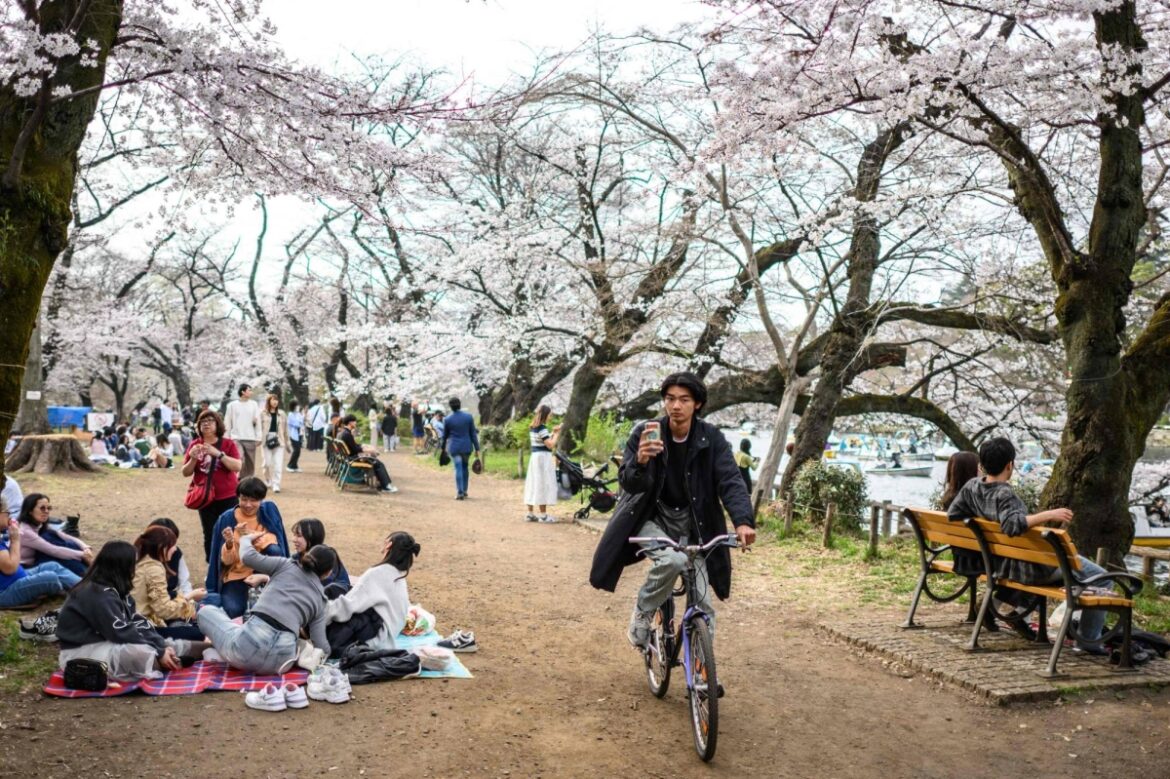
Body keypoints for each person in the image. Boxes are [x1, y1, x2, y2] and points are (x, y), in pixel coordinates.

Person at [589, 372, 756, 649]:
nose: (676, 406)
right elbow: (629, 483)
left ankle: (703, 676)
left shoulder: (712, 438)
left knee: (703, 602)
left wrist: (742, 521)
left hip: (695, 524)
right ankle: (643, 611)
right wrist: (640, 461)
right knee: (673, 561)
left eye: (684, 399)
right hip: (650, 517)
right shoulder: (645, 432)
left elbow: (731, 481)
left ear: (698, 404)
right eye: (670, 399)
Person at [946, 437, 1110, 655]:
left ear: (982, 464)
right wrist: (1048, 514)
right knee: (1103, 577)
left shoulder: (971, 487)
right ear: (1009, 465)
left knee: (1081, 573)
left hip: (1004, 562)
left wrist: (982, 525)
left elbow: (953, 515)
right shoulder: (1004, 494)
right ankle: (1089, 642)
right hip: (1031, 568)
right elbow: (1012, 525)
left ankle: (1024, 615)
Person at [56, 541, 204, 681]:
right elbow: (121, 632)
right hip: (81, 652)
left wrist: (161, 646)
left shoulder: (116, 590)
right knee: (140, 653)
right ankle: (172, 661)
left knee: (164, 644)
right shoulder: (97, 593)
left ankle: (210, 648)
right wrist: (159, 651)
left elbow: (138, 622)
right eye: (133, 565)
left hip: (108, 643)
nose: (135, 569)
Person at [197, 540, 335, 674]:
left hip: (245, 648)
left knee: (206, 612)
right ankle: (225, 654)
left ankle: (223, 654)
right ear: (328, 573)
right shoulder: (321, 601)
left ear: (307, 556)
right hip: (281, 663)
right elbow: (321, 647)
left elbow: (247, 557)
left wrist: (246, 539)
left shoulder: (286, 565)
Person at [205, 477, 289, 618]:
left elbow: (276, 546)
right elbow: (225, 562)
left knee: (272, 613)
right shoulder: (227, 519)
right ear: (237, 498)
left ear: (261, 500)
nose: (248, 504)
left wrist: (248, 537)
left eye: (253, 500)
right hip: (237, 574)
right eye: (244, 499)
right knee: (232, 609)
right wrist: (230, 544)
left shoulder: (268, 512)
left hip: (263, 572)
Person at [326, 531, 419, 651]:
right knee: (338, 590)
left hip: (375, 639)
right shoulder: (399, 576)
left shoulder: (377, 573)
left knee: (334, 597)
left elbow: (349, 605)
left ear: (389, 545)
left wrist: (321, 615)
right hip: (387, 635)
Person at [182, 409, 242, 562]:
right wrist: (193, 459)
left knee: (229, 531)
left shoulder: (228, 444)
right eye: (202, 421)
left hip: (228, 496)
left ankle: (230, 562)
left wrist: (219, 454)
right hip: (205, 497)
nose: (206, 424)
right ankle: (212, 565)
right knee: (209, 533)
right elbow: (186, 472)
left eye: (210, 420)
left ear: (218, 424)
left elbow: (237, 466)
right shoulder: (194, 445)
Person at [130, 526, 206, 641]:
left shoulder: (143, 561)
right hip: (142, 628)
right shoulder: (153, 569)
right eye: (172, 545)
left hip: (138, 622)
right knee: (198, 633)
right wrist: (189, 599)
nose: (175, 549)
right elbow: (163, 610)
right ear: (162, 547)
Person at [0, 513, 80, 609]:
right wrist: (15, 540)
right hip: (5, 591)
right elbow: (10, 568)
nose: (9, 516)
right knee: (50, 578)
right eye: (6, 513)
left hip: (16, 578)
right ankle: (83, 592)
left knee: (52, 566)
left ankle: (87, 587)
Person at [17, 494, 93, 577]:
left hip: (38, 559)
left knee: (64, 542)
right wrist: (82, 554)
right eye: (42, 508)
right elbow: (53, 550)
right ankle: (86, 576)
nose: (46, 511)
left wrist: (85, 547)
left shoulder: (39, 525)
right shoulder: (25, 531)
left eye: (48, 508)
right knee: (59, 551)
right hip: (26, 568)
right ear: (30, 511)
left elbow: (65, 536)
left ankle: (87, 574)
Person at [337, 415, 398, 493]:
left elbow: (354, 446)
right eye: (355, 421)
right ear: (350, 423)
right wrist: (369, 450)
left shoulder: (344, 433)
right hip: (353, 458)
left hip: (348, 457)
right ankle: (386, 487)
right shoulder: (347, 434)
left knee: (375, 461)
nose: (356, 423)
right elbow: (355, 449)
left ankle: (383, 484)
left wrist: (364, 446)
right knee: (378, 463)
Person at [523, 405, 560, 522]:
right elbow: (550, 444)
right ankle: (543, 515)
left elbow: (543, 440)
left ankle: (530, 513)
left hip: (535, 457)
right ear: (545, 415)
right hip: (543, 459)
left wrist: (553, 432)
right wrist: (557, 435)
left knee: (533, 483)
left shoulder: (533, 427)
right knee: (542, 483)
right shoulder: (542, 428)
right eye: (549, 414)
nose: (551, 416)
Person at [441, 398, 479, 501]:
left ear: (450, 406)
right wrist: (477, 448)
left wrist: (443, 448)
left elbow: (444, 436)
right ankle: (465, 491)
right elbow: (473, 434)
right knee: (465, 467)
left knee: (458, 467)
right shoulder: (468, 417)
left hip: (454, 447)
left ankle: (460, 492)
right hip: (466, 447)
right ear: (460, 405)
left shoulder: (448, 419)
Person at [147, 518, 193, 597]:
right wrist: (188, 598)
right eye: (171, 543)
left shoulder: (176, 553)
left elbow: (184, 583)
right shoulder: (144, 563)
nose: (175, 548)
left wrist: (190, 600)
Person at [224, 383, 261, 479]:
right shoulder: (232, 405)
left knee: (250, 463)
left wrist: (258, 437)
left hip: (250, 437)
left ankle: (247, 481)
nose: (251, 392)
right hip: (236, 437)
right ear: (243, 392)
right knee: (240, 458)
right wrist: (226, 438)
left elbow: (258, 422)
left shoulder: (254, 404)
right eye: (249, 390)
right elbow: (227, 422)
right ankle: (237, 478)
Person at [259, 393, 290, 493]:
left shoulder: (282, 414)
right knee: (266, 463)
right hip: (266, 440)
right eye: (273, 399)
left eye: (276, 400)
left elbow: (286, 430)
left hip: (279, 440)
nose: (275, 402)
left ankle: (276, 484)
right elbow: (258, 428)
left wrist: (287, 442)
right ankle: (268, 480)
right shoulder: (262, 413)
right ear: (269, 401)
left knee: (278, 464)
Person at [286, 400, 304, 472]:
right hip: (293, 435)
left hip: (299, 434)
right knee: (296, 450)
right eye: (296, 406)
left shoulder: (298, 414)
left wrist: (300, 422)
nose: (298, 407)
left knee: (298, 451)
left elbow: (301, 422)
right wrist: (299, 422)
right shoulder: (290, 414)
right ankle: (290, 465)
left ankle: (295, 466)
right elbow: (296, 424)